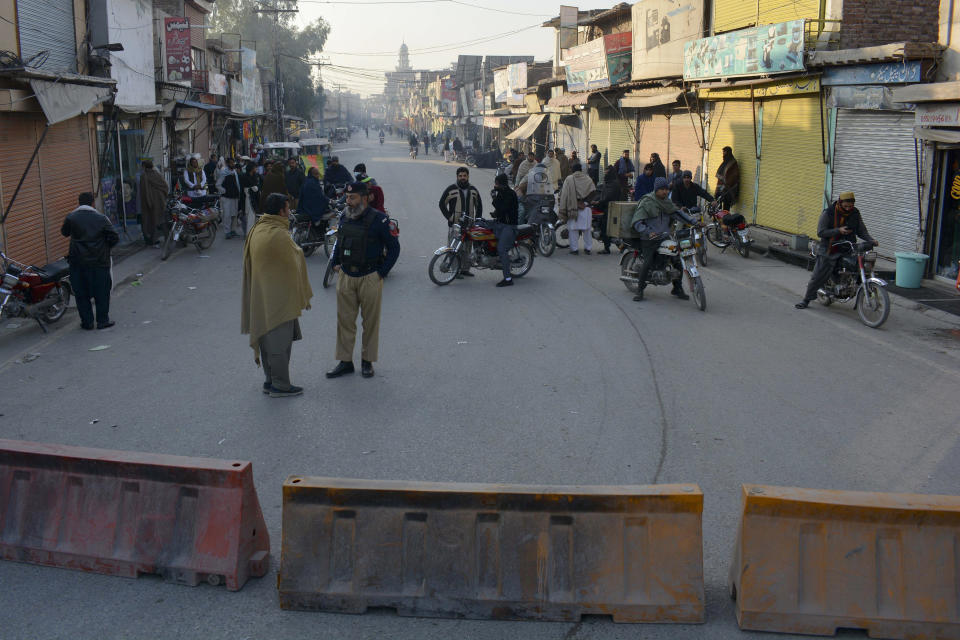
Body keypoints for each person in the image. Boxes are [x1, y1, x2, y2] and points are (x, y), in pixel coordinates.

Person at [241, 193, 313, 398]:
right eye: (288, 209)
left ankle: (270, 380)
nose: (289, 213)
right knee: (280, 344)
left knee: (267, 342)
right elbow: (295, 257)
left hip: (262, 295)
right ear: (281, 211)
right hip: (278, 299)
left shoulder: (259, 228)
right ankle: (280, 385)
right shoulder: (277, 234)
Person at [327, 181, 400, 379]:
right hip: (346, 276)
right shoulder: (344, 217)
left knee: (370, 323)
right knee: (345, 321)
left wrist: (381, 273)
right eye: (347, 197)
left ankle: (367, 362)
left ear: (365, 198)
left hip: (370, 276)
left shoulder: (380, 220)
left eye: (353, 197)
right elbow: (339, 242)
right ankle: (345, 362)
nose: (348, 201)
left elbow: (394, 248)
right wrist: (335, 263)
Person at [796, 192, 877, 309]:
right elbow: (821, 232)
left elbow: (861, 230)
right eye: (846, 206)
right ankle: (806, 299)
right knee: (818, 275)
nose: (848, 208)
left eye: (851, 206)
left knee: (856, 267)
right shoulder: (828, 213)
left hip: (847, 247)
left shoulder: (855, 213)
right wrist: (838, 230)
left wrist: (871, 240)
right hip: (829, 248)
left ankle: (851, 287)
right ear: (840, 202)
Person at [630, 177, 698, 302]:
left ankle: (677, 288)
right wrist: (648, 232)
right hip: (649, 238)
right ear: (656, 190)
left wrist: (694, 222)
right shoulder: (647, 202)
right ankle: (640, 290)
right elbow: (637, 221)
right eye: (662, 189)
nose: (665, 192)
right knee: (648, 261)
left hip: (664, 236)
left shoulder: (667, 203)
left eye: (666, 189)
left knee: (677, 259)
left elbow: (677, 214)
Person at [60, 193, 119, 330]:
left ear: (79, 203)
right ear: (93, 203)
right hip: (99, 262)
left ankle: (87, 322)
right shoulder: (101, 218)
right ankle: (102, 321)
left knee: (81, 294)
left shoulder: (71, 217)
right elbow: (114, 237)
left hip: (78, 263)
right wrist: (104, 247)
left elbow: (64, 232)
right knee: (102, 292)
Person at [488, 173, 520, 287]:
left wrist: (494, 198)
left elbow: (502, 208)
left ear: (501, 184)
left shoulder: (510, 194)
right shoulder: (501, 192)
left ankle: (507, 278)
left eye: (496, 183)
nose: (495, 185)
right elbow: (499, 210)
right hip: (500, 223)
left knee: (501, 249)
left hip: (509, 226)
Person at [559, 162, 597, 255]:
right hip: (586, 208)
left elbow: (564, 195)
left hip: (573, 207)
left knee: (573, 230)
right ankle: (588, 248)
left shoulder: (569, 179)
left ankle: (574, 249)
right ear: (581, 169)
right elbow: (593, 192)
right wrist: (586, 202)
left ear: (572, 169)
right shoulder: (588, 178)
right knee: (587, 230)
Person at [516, 155, 554, 226]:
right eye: (540, 171)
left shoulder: (546, 179)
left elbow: (550, 189)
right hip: (528, 200)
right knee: (522, 212)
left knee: (552, 212)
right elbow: (520, 188)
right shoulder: (528, 177)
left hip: (540, 201)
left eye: (543, 171)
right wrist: (522, 195)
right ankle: (519, 230)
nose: (541, 173)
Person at [593, 164, 623, 254]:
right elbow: (603, 193)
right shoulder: (609, 182)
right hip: (607, 207)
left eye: (607, 172)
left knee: (606, 228)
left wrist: (598, 202)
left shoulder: (613, 183)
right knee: (606, 227)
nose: (605, 174)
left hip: (610, 208)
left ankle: (607, 248)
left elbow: (608, 196)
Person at [139, 159, 167, 246]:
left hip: (149, 202)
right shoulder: (157, 174)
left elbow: (145, 191)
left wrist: (148, 202)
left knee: (149, 221)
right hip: (160, 200)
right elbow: (165, 186)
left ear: (144, 167)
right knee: (159, 220)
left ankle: (151, 239)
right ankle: (161, 237)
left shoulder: (144, 176)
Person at [217, 158, 243, 238]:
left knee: (234, 215)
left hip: (235, 196)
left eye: (233, 163)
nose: (232, 164)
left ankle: (233, 230)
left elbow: (237, 183)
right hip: (226, 197)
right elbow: (218, 184)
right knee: (227, 215)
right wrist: (224, 191)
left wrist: (239, 193)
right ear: (228, 164)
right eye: (231, 163)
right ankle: (227, 232)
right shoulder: (223, 172)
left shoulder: (234, 172)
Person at [239, 163, 260, 231]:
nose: (256, 169)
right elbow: (244, 188)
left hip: (254, 198)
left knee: (253, 217)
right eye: (255, 168)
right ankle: (249, 234)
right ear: (251, 168)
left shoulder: (255, 176)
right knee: (250, 217)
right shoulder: (244, 176)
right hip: (248, 198)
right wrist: (252, 188)